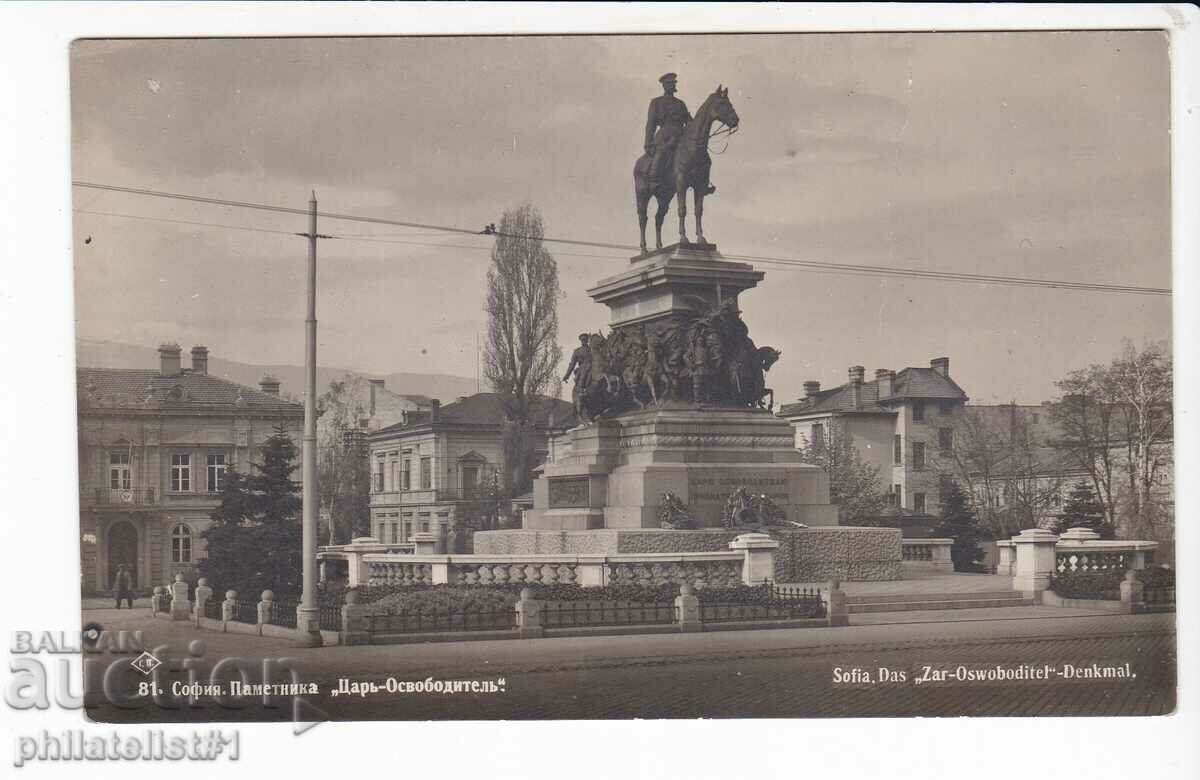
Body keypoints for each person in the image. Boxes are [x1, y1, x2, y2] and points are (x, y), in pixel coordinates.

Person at [644, 73, 692, 190]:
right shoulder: (656, 102)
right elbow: (651, 124)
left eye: (673, 83)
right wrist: (648, 143)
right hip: (665, 135)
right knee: (661, 152)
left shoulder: (680, 104)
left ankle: (702, 182)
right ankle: (653, 179)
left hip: (681, 136)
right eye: (670, 83)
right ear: (664, 86)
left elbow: (689, 121)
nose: (672, 85)